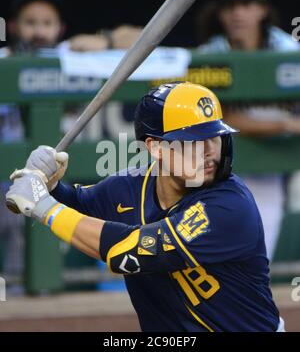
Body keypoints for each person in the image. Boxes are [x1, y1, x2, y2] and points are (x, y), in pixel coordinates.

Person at [6, 82, 284, 332]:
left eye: (215, 137)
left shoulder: (230, 206)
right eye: (194, 141)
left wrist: (44, 207)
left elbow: (129, 253)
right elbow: (77, 208)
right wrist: (50, 185)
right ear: (156, 148)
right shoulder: (129, 186)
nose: (210, 150)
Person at [197, 0, 300, 260]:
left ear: (263, 9)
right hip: (219, 160)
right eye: (229, 6)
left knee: (257, 252)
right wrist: (285, 123)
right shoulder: (211, 53)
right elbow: (221, 116)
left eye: (246, 4)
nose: (237, 14)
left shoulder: (287, 49)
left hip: (273, 161)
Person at [0, 0, 65, 287]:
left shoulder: (69, 58)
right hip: (3, 179)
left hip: (43, 184)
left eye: (47, 23)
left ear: (60, 28)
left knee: (26, 275)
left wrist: (102, 38)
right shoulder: (3, 61)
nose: (39, 31)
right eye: (30, 23)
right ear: (13, 26)